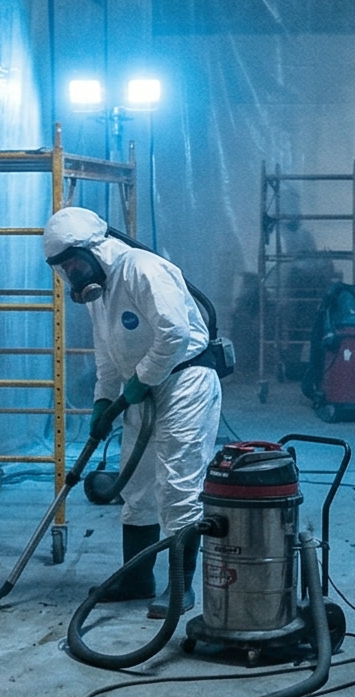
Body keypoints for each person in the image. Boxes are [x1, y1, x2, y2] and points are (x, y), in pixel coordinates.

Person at [43, 207, 224, 616]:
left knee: (177, 485)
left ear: (93, 250)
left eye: (73, 265)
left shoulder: (142, 269)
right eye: (63, 270)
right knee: (137, 487)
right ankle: (137, 578)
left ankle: (181, 586)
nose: (71, 275)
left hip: (184, 382)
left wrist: (140, 382)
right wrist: (103, 401)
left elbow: (175, 333)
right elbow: (107, 356)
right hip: (141, 390)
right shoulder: (99, 293)